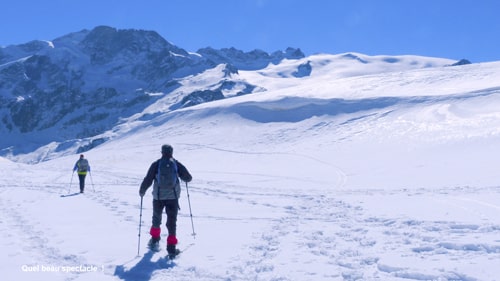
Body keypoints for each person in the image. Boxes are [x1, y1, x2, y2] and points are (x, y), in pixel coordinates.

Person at [139, 144, 192, 257]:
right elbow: (188, 177)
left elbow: (148, 179)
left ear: (162, 152)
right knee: (172, 223)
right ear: (172, 152)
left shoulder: (156, 164)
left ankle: (154, 240)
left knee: (156, 219)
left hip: (158, 198)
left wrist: (142, 191)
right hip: (173, 198)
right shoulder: (176, 163)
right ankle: (171, 249)